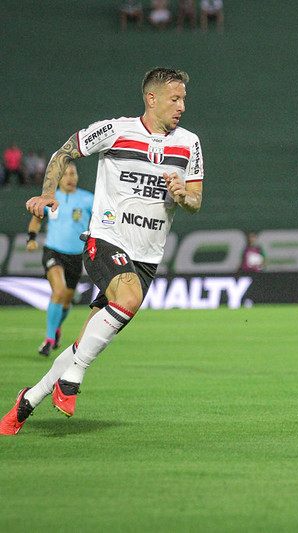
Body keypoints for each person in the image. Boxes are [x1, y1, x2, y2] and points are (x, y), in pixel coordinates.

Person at [0, 68, 204, 436]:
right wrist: (48, 194)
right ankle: (72, 380)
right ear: (151, 99)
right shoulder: (115, 130)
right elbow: (65, 152)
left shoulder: (189, 143)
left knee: (86, 340)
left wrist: (182, 196)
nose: (182, 107)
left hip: (146, 257)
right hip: (105, 239)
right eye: (175, 99)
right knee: (128, 297)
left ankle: (27, 401)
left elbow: (196, 201)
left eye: (184, 99)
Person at [26, 162, 94, 357]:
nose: (70, 178)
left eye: (73, 173)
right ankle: (48, 340)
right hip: (53, 252)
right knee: (60, 290)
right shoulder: (51, 199)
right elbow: (37, 218)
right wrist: (31, 238)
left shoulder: (88, 199)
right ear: (59, 178)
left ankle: (57, 327)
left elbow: (102, 219)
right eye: (66, 175)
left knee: (66, 301)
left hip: (75, 256)